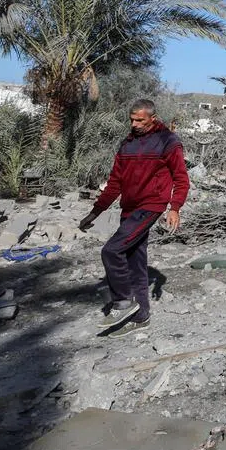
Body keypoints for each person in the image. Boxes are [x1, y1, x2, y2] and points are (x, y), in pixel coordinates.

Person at [79, 99, 190, 334]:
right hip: (129, 208)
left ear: (153, 117)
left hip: (151, 206)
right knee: (135, 262)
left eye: (139, 120)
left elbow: (181, 179)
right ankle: (140, 317)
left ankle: (123, 302)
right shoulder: (127, 144)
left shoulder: (168, 142)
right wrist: (95, 212)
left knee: (111, 250)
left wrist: (174, 208)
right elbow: (114, 183)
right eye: (131, 119)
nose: (134, 124)